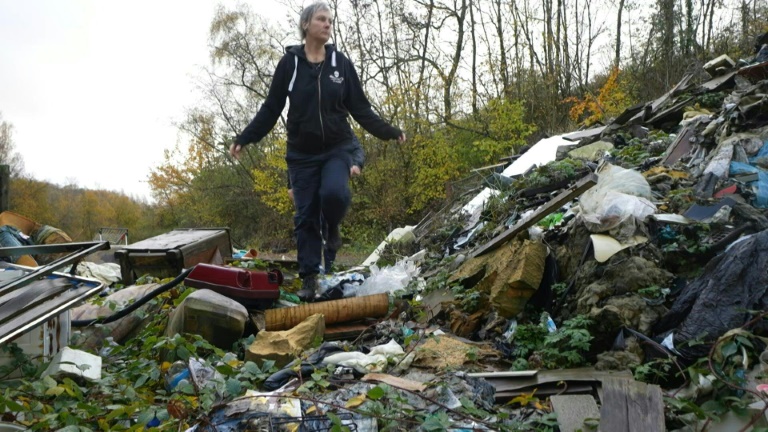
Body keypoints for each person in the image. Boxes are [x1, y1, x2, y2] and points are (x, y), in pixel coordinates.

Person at [230, 1, 405, 302]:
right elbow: (272, 108)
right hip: (301, 154)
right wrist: (246, 137)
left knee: (335, 194)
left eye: (329, 20)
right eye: (321, 20)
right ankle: (310, 278)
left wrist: (388, 131)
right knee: (306, 215)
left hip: (337, 147)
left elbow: (360, 108)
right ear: (306, 25)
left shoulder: (340, 64)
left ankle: (333, 229)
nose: (327, 24)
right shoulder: (291, 65)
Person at [288, 135, 365, 273]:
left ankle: (328, 267)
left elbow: (356, 148)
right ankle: (309, 273)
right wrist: (290, 184)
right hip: (308, 181)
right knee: (306, 222)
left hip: (330, 181)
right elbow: (294, 157)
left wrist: (357, 163)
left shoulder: (339, 125)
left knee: (328, 223)